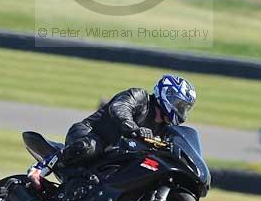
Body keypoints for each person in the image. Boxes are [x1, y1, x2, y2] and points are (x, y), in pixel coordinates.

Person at [27, 74, 197, 188]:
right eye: (179, 104)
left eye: (185, 107)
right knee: (90, 147)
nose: (181, 110)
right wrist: (134, 129)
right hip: (90, 133)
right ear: (166, 94)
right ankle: (41, 167)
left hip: (116, 152)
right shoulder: (140, 96)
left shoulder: (165, 129)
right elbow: (119, 108)